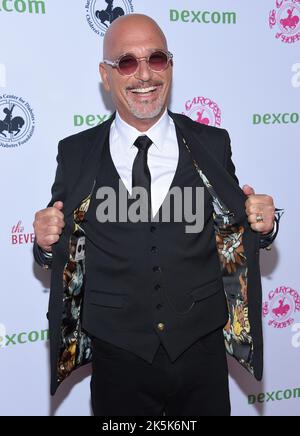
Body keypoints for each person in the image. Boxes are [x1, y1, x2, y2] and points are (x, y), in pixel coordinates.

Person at [33, 14, 278, 416]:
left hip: (201, 355)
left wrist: (265, 226)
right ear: (105, 75)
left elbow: (238, 226)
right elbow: (60, 246)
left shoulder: (211, 144)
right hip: (118, 361)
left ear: (171, 66)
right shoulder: (76, 153)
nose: (144, 74)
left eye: (157, 59)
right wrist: (44, 244)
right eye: (126, 62)